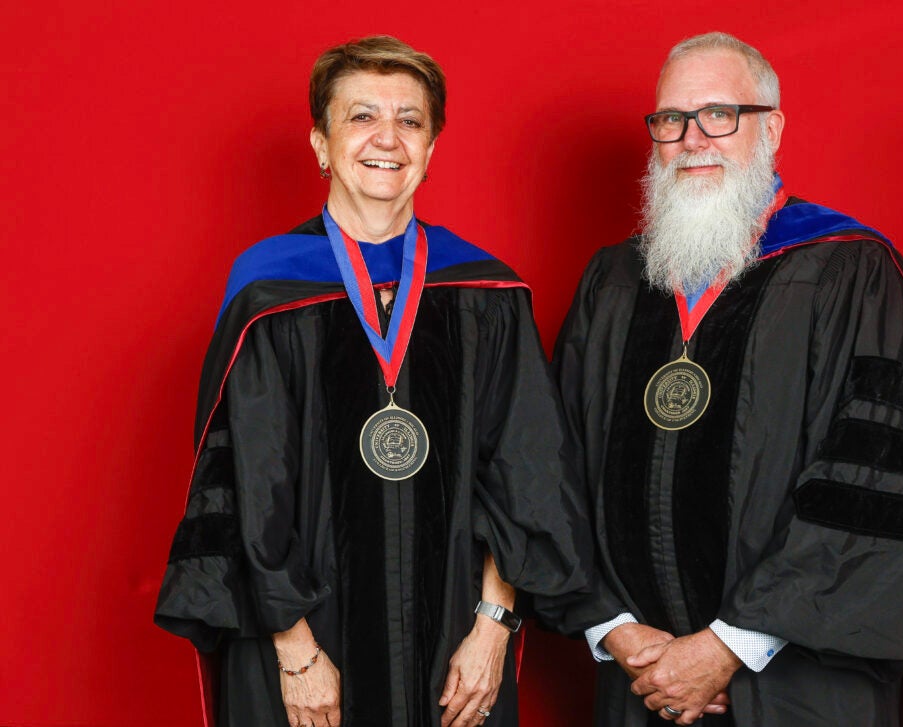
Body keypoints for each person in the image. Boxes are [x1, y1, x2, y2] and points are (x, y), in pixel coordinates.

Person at [155, 36, 590, 727]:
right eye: (361, 117)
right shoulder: (269, 290)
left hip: (457, 636)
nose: (387, 138)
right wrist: (295, 651)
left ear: (431, 147)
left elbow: (526, 471)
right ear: (321, 144)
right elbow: (246, 484)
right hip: (301, 639)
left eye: (409, 121)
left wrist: (491, 628)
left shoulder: (484, 290)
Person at [553, 32, 903, 726]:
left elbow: (870, 484)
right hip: (641, 677)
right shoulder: (615, 282)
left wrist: (728, 646)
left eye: (720, 114)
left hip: (795, 685)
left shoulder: (849, 272)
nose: (692, 138)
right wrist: (612, 625)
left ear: (772, 126)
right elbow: (556, 467)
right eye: (671, 119)